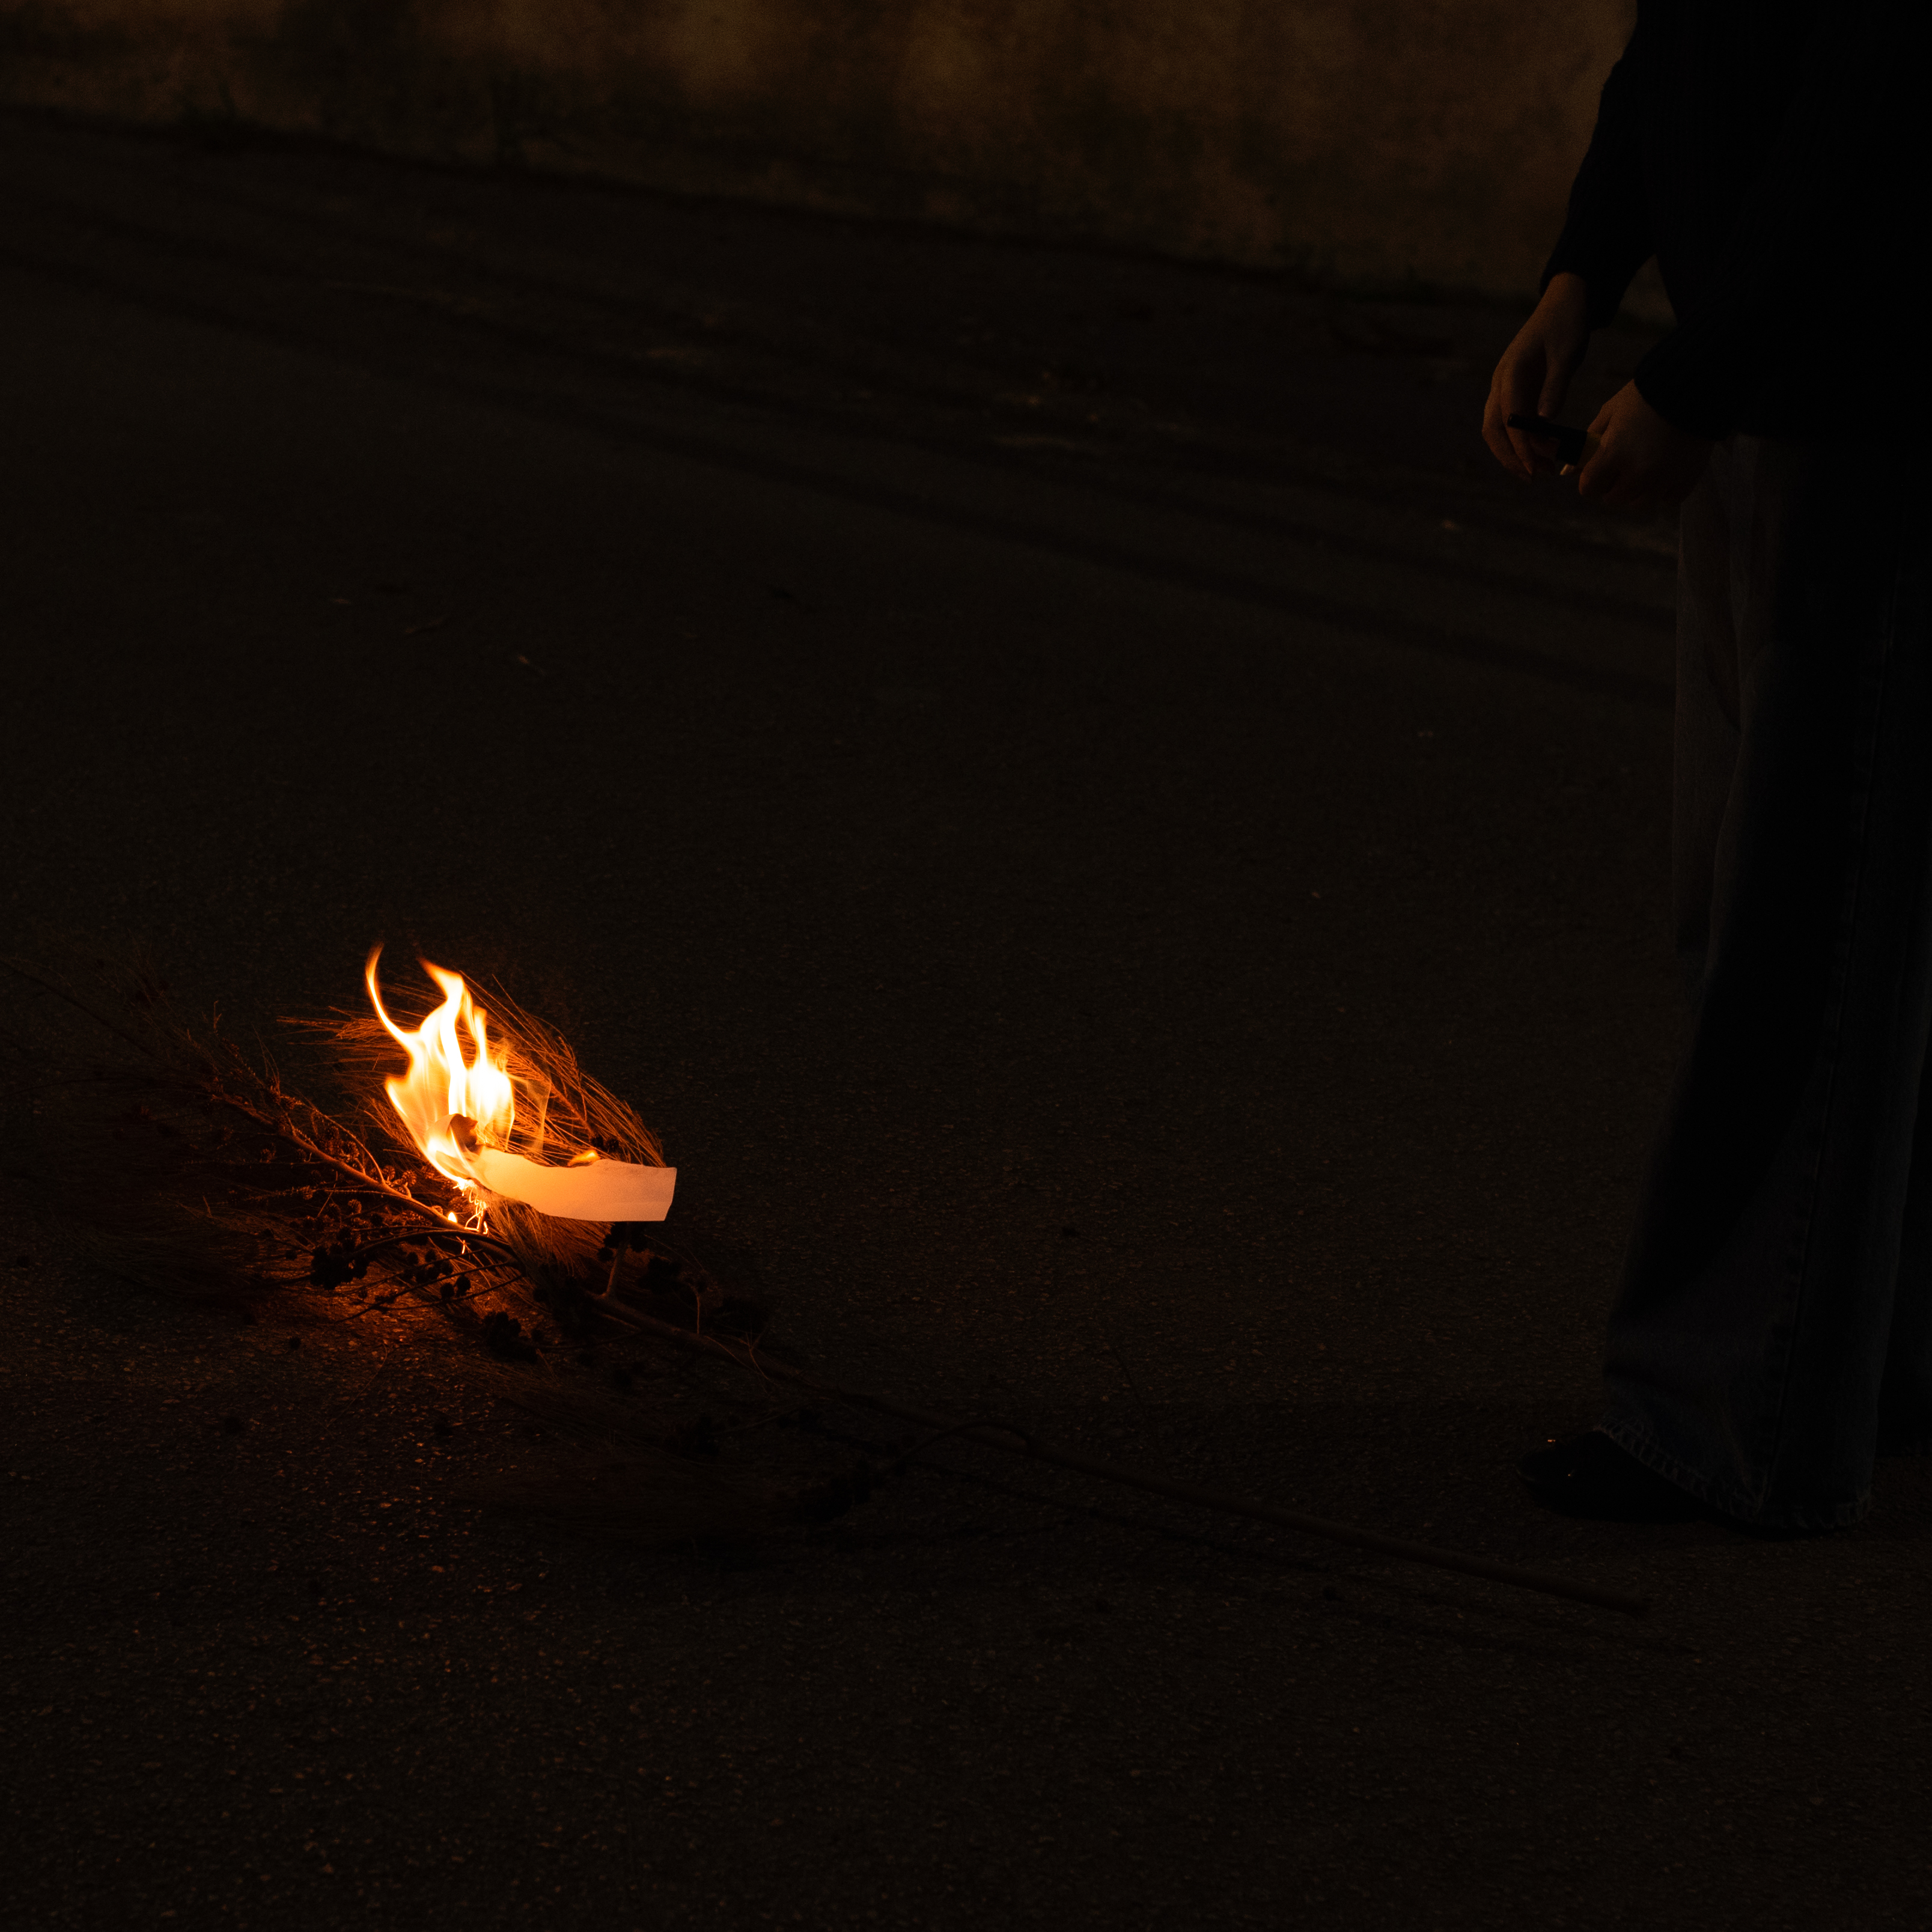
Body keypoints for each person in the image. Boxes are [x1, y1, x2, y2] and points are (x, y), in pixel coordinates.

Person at [1481, 2, 1928, 1529]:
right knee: (1785, 922)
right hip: (1775, 395)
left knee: (1803, 940)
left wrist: (1698, 375)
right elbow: (1679, 45)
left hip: (1864, 402)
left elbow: (1884, 94)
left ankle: (1737, 1420)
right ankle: (1858, 1365)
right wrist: (1582, 275)